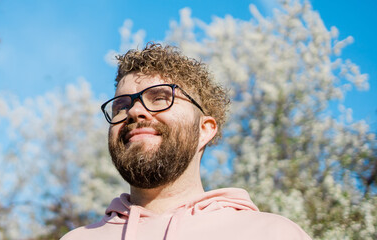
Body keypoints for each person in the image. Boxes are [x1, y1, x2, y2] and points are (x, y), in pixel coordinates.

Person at [61, 43, 311, 239]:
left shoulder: (272, 234)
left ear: (205, 129)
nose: (135, 111)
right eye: (122, 105)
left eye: (160, 98)